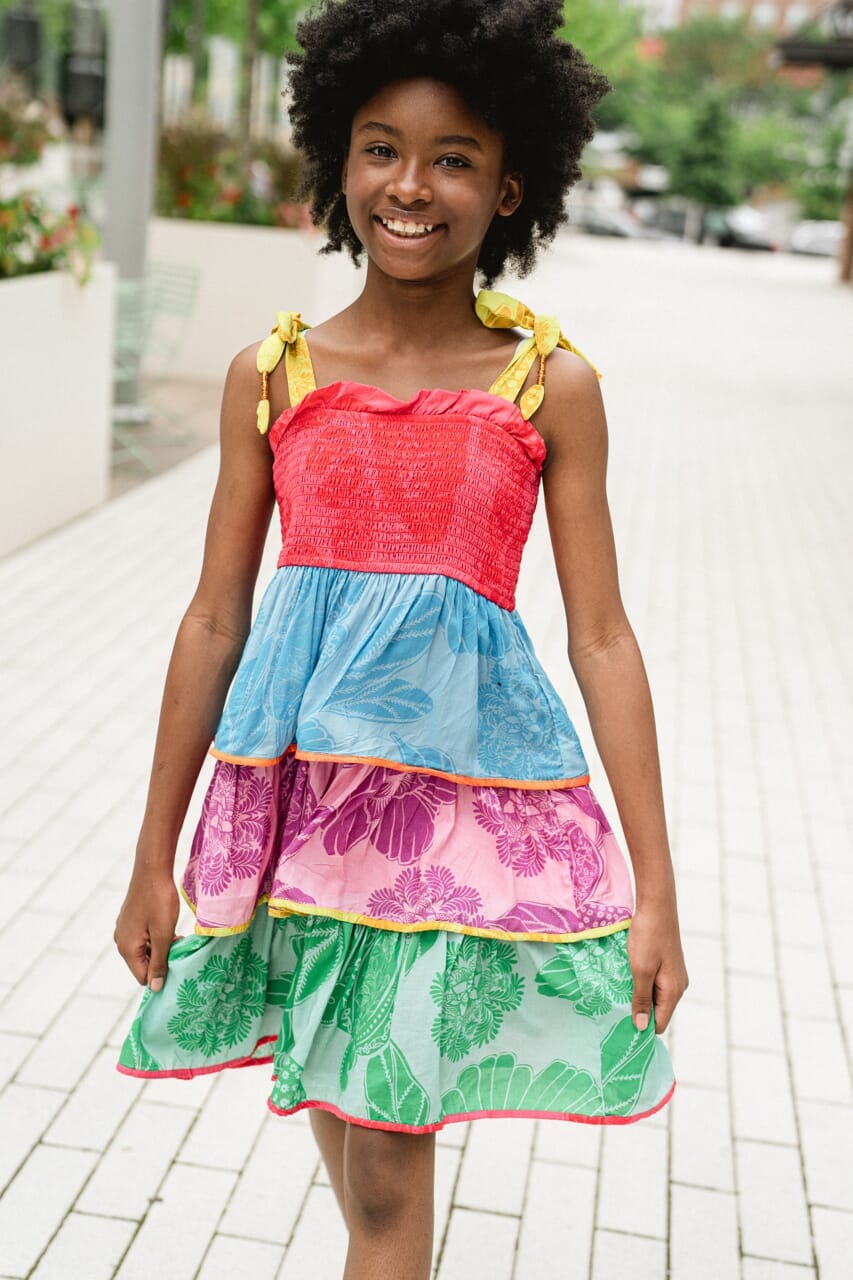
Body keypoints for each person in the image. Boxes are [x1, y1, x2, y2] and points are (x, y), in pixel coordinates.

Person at [114, 1, 688, 1276]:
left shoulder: (552, 384)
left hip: (449, 830)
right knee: (356, 1151)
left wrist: (654, 886)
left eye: (453, 157)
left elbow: (602, 636)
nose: (410, 186)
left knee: (382, 1176)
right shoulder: (276, 373)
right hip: (295, 810)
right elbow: (216, 615)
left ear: (510, 188)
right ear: (338, 162)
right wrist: (151, 852)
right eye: (380, 148)